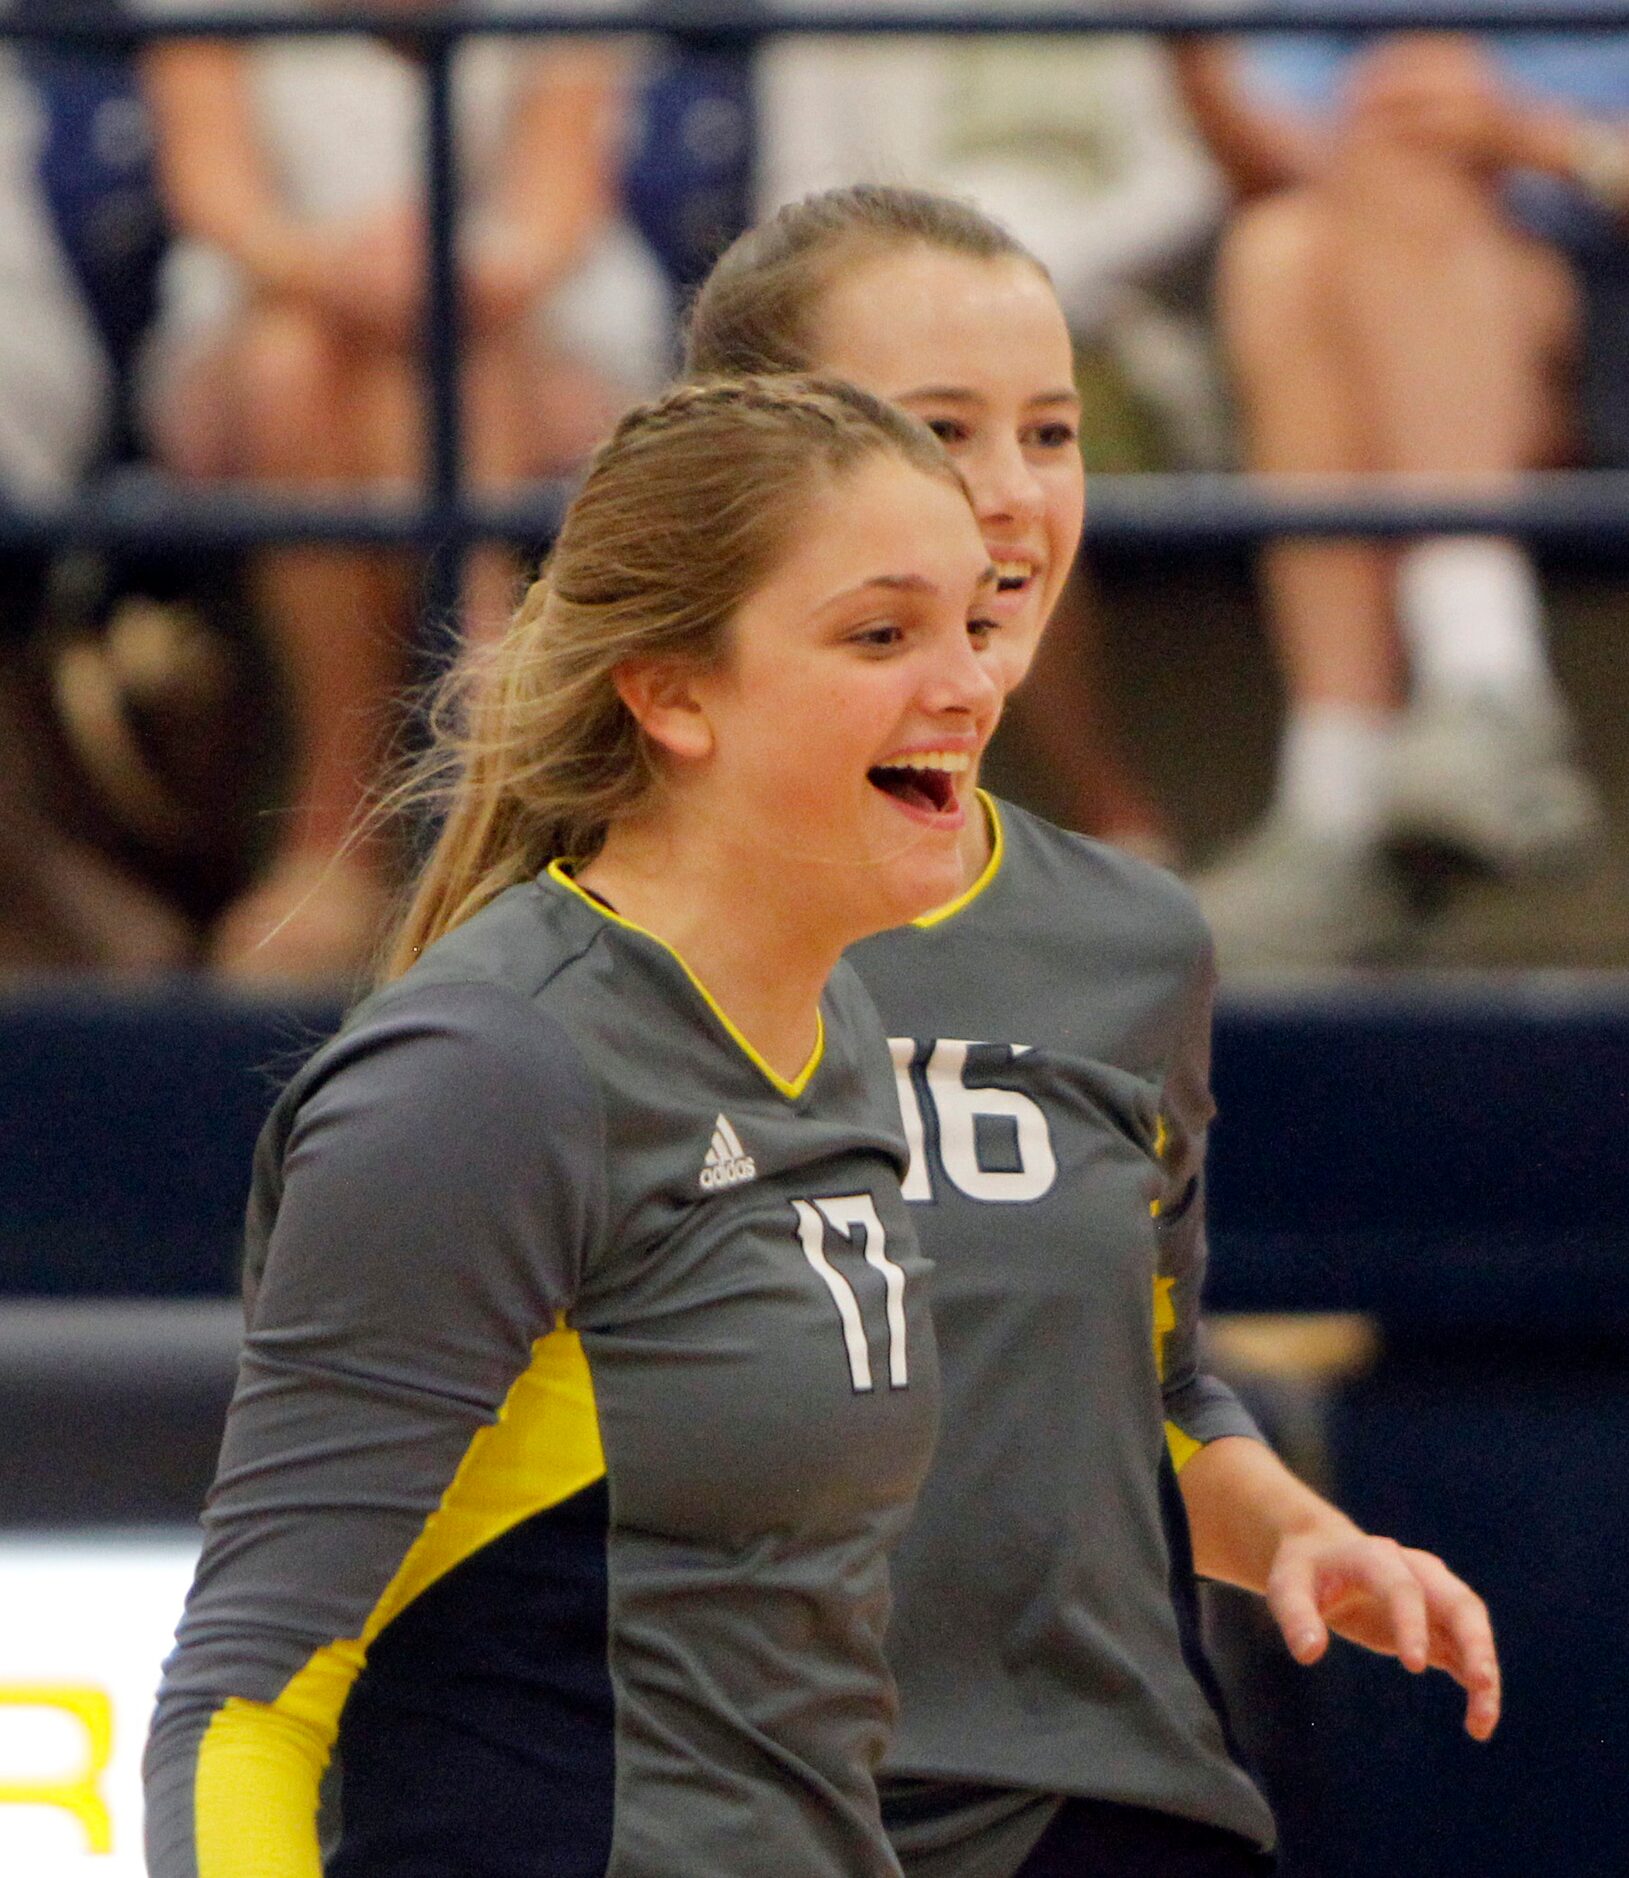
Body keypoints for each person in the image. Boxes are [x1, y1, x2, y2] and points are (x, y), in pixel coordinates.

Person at [686, 185, 1502, 1878]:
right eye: (935, 430)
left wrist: (1291, 1524)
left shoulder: (1123, 939)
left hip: (1102, 1812)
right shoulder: (554, 950)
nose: (1007, 492)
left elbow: (1143, 1381)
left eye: (1048, 431)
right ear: (737, 476)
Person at [142, 374, 1006, 1876]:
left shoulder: (835, 1021)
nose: (967, 687)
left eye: (974, 626)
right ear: (670, 693)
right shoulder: (490, 1071)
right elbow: (243, 1699)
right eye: (882, 634)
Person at [138, 0, 669, 983]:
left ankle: (389, 824)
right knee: (289, 366)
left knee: (439, 370)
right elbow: (215, 193)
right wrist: (336, 271)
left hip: (518, 327)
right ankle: (451, 807)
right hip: (266, 323)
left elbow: (555, 208)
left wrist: (447, 280)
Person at [1173, 32, 1628, 970]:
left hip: (1601, 260)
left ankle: (1445, 732)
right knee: (1281, 245)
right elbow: (1274, 156)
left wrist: (1530, 139)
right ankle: (1396, 752)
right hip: (1399, 264)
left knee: (1401, 159)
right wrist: (1189, 46)